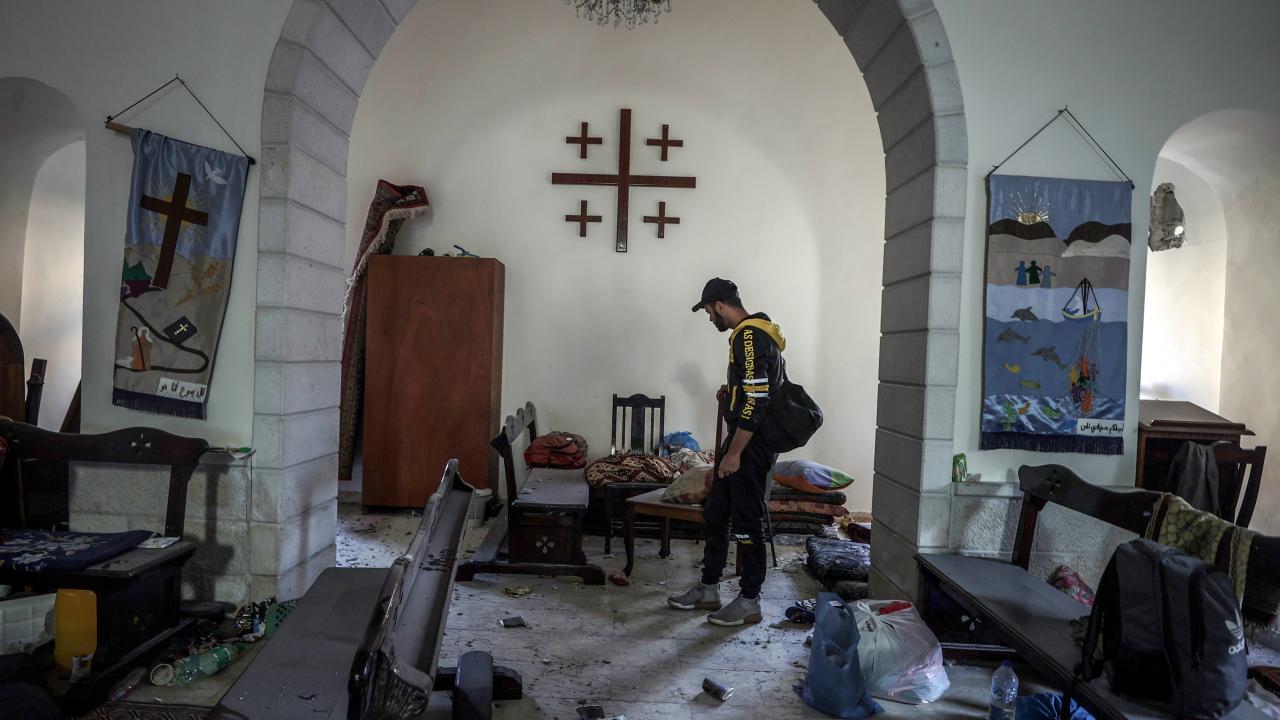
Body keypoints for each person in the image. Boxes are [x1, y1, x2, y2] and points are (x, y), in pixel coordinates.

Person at [668, 278, 784, 626]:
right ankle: (709, 588)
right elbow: (754, 386)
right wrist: (731, 391)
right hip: (742, 439)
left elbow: (758, 400)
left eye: (708, 311)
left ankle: (750, 600)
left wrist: (734, 454)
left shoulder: (749, 336)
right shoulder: (756, 332)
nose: (709, 318)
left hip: (750, 444)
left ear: (719, 305)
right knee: (717, 512)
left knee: (747, 523)